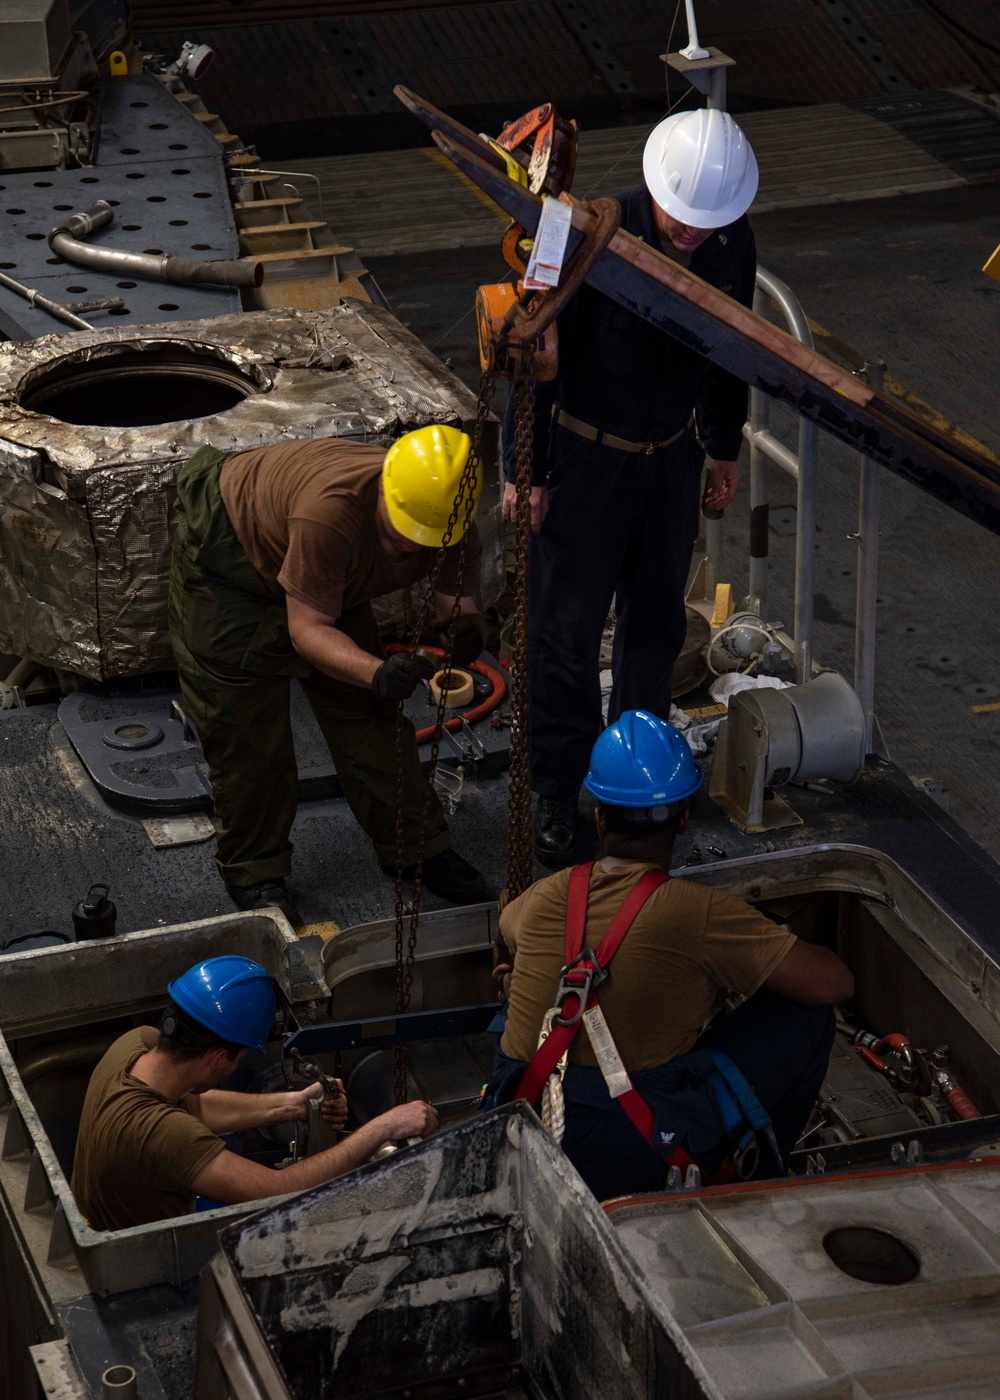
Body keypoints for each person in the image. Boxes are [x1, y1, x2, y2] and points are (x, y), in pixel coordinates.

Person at [502, 107, 760, 865]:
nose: (691, 232)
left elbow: (729, 346)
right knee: (566, 636)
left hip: (670, 461)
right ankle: (557, 791)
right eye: (682, 217)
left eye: (707, 223)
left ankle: (638, 787)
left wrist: (721, 446)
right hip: (583, 466)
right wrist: (528, 473)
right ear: (656, 188)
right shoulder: (575, 231)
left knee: (654, 633)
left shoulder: (731, 240)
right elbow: (532, 354)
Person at [485, 712, 853, 1200]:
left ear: (598, 817)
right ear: (682, 819)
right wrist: (758, 949)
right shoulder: (699, 914)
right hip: (629, 1154)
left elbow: (506, 931)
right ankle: (760, 1181)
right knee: (807, 1018)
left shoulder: (543, 896)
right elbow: (834, 984)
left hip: (522, 1129)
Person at [168, 424, 489, 924]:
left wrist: (465, 625)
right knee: (248, 734)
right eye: (402, 526)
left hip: (326, 570)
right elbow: (308, 631)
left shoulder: (445, 514)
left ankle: (417, 847)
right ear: (384, 485)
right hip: (232, 559)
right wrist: (378, 671)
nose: (410, 544)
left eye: (423, 535)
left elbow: (454, 599)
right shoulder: (331, 512)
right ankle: (256, 870)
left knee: (370, 721)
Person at [72, 956, 438, 1231]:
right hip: (146, 1266)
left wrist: (292, 1104)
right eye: (240, 1059)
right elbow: (278, 1190)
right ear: (217, 1059)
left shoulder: (136, 1047)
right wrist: (380, 1128)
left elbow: (194, 1105)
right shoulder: (163, 1135)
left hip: (102, 1212)